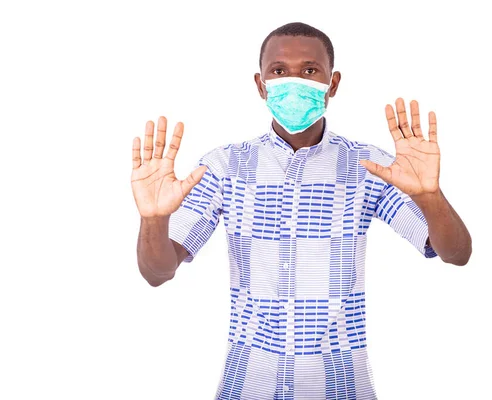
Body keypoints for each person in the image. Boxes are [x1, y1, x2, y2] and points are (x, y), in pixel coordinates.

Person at [131, 22, 471, 400]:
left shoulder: (370, 166)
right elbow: (156, 272)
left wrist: (430, 195)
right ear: (261, 85)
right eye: (279, 71)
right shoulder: (223, 166)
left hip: (342, 387)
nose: (293, 81)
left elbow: (455, 253)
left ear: (333, 83)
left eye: (310, 70)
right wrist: (154, 218)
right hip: (247, 385)